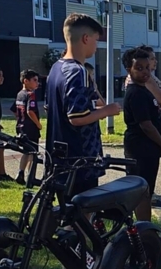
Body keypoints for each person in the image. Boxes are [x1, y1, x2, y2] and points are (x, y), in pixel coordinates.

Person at [46, 14, 121, 198]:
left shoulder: (56, 68)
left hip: (58, 156)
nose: (96, 45)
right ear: (86, 38)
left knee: (65, 212)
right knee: (81, 214)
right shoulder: (78, 72)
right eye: (96, 40)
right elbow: (77, 117)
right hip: (80, 160)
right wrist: (107, 111)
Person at [122, 47, 161, 231]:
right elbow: (146, 125)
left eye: (147, 68)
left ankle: (145, 228)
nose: (145, 72)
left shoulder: (144, 91)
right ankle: (144, 229)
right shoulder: (136, 93)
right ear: (129, 70)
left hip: (149, 150)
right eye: (139, 68)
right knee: (142, 192)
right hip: (140, 148)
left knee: (147, 190)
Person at [123, 45, 161, 139]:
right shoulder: (144, 79)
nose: (155, 61)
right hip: (148, 130)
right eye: (152, 59)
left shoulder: (147, 76)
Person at [14, 70, 43, 185]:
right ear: (26, 81)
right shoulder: (31, 95)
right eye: (34, 80)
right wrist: (38, 124)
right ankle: (31, 175)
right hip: (30, 128)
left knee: (26, 151)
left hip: (21, 126)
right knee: (33, 153)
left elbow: (14, 109)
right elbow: (30, 111)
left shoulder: (19, 94)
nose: (37, 83)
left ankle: (20, 172)